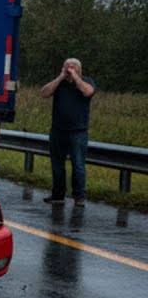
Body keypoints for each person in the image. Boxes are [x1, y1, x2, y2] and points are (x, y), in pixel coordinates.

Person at [40, 57, 95, 206]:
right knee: (57, 165)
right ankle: (58, 195)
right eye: (66, 68)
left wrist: (76, 77)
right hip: (58, 130)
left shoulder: (87, 81)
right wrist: (61, 77)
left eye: (72, 68)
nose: (69, 71)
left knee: (78, 165)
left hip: (78, 131)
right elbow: (44, 93)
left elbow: (88, 92)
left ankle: (79, 197)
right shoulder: (60, 83)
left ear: (79, 69)